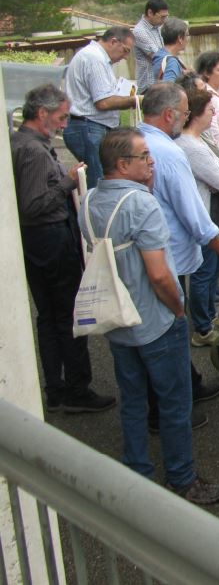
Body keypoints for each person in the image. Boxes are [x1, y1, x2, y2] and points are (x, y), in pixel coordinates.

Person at [80, 128, 219, 505]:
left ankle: (138, 471)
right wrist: (178, 308)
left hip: (118, 320)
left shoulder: (90, 199)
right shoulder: (142, 204)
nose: (152, 161)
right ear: (123, 164)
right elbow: (160, 274)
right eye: (144, 156)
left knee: (132, 399)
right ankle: (182, 477)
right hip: (156, 321)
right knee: (175, 402)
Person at [12, 83, 114, 414]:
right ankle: (74, 388)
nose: (65, 125)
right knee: (67, 315)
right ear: (42, 114)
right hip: (49, 238)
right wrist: (69, 182)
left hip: (40, 239)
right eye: (61, 117)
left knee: (50, 317)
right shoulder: (32, 151)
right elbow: (33, 204)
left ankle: (57, 388)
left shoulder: (23, 144)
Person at [139, 83, 219, 417]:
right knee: (170, 330)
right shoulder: (169, 153)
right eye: (183, 113)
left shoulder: (139, 142)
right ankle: (172, 404)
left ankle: (186, 385)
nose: (185, 118)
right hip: (167, 256)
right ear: (169, 114)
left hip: (155, 253)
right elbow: (193, 213)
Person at [174, 87, 219, 345]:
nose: (214, 114)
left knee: (209, 270)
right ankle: (203, 328)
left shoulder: (196, 142)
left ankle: (209, 316)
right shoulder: (193, 147)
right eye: (211, 110)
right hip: (204, 213)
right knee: (204, 271)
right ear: (197, 115)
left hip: (206, 209)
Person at [62, 26, 141, 188]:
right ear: (113, 42)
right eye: (125, 51)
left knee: (101, 178)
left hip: (91, 126)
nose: (126, 57)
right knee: (100, 182)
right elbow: (103, 102)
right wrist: (136, 100)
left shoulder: (96, 57)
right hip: (89, 127)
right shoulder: (95, 58)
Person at [132, 0, 169, 92]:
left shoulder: (157, 27)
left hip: (159, 83)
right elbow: (158, 56)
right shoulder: (139, 31)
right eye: (162, 17)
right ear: (150, 13)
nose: (164, 20)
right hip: (148, 86)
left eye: (166, 17)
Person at [150, 17, 190, 85]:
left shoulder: (160, 54)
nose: (188, 39)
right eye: (187, 35)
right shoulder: (171, 62)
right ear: (180, 38)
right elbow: (169, 90)